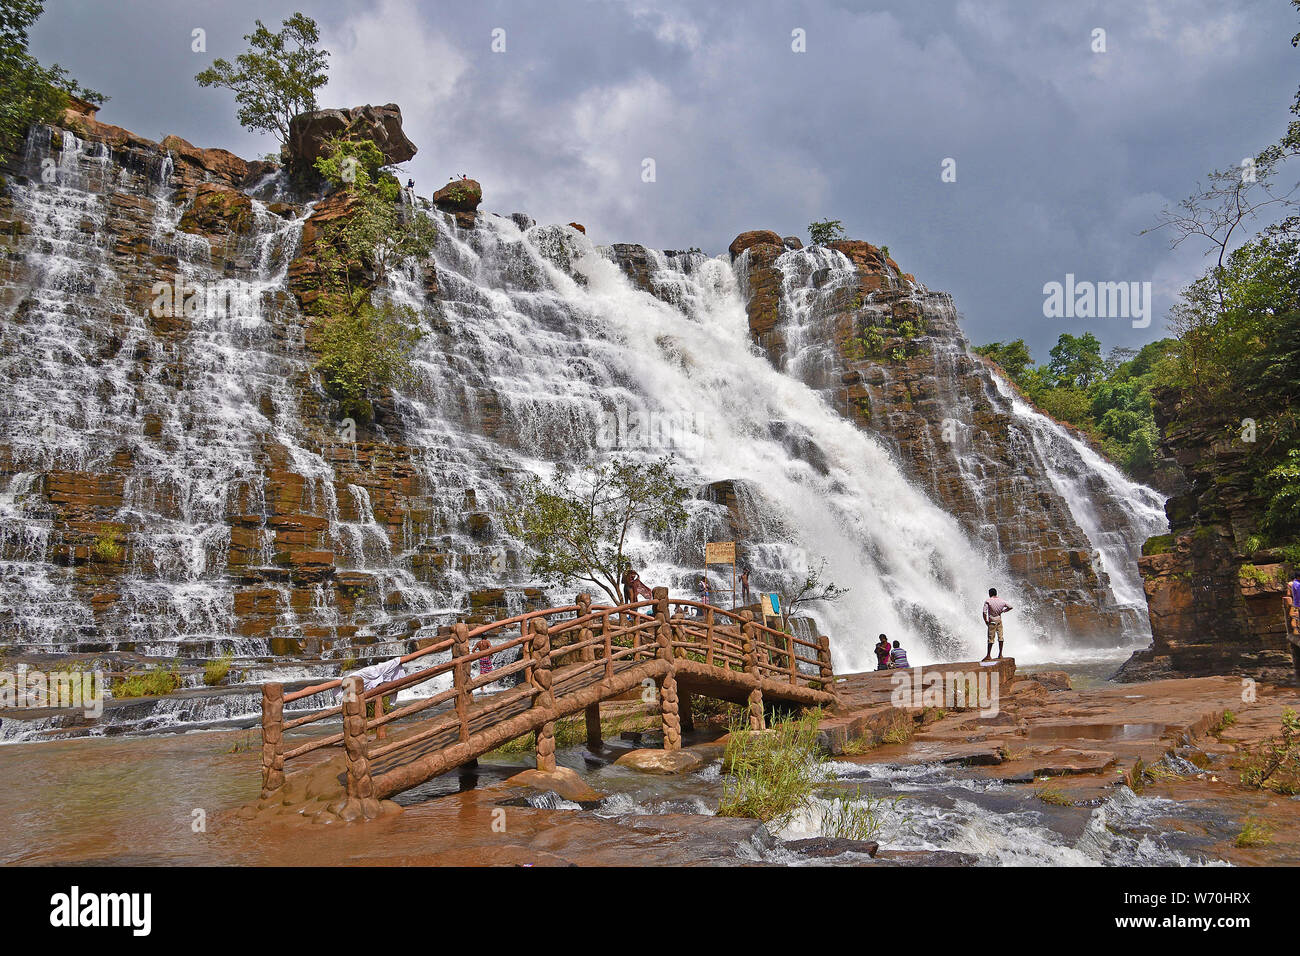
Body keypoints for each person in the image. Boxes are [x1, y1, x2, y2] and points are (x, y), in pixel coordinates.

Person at [982, 587, 1013, 661]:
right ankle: (1000, 654)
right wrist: (1003, 611)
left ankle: (988, 655)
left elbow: (984, 612)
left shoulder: (988, 601)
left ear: (990, 593)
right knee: (1000, 637)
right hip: (999, 620)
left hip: (992, 621)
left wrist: (985, 620)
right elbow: (1010, 607)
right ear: (996, 593)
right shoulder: (1002, 601)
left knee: (990, 639)